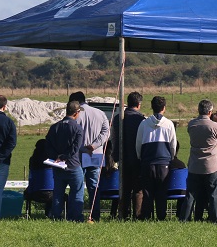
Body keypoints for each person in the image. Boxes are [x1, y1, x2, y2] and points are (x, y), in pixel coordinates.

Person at [68, 91, 110, 222]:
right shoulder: (100, 113)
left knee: (77, 186)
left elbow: (70, 136)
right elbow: (106, 132)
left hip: (78, 155)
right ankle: (94, 215)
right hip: (96, 154)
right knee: (94, 187)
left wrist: (83, 148)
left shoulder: (75, 115)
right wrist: (95, 145)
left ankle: (76, 215)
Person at [136, 96, 177, 221]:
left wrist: (140, 157)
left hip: (147, 162)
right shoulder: (169, 124)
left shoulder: (144, 124)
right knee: (161, 192)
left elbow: (138, 144)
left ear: (152, 107)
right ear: (164, 108)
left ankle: (147, 216)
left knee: (147, 192)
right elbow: (173, 144)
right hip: (164, 163)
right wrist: (171, 157)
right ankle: (161, 216)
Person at [185, 99, 217, 223]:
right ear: (210, 112)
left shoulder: (192, 124)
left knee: (191, 194)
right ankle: (215, 219)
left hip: (195, 163)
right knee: (213, 194)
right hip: (210, 164)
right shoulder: (214, 125)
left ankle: (185, 218)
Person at [45, 100, 85, 221]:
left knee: (58, 194)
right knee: (77, 193)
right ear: (76, 112)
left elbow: (48, 145)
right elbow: (75, 148)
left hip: (58, 166)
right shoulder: (77, 128)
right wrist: (64, 156)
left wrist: (57, 157)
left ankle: (56, 216)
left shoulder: (54, 127)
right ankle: (75, 217)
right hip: (73, 165)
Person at [109, 91, 145, 220]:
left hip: (122, 156)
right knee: (137, 189)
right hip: (137, 157)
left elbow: (113, 137)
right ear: (139, 104)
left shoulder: (118, 118)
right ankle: (137, 215)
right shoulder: (141, 119)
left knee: (124, 188)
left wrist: (114, 154)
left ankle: (123, 215)